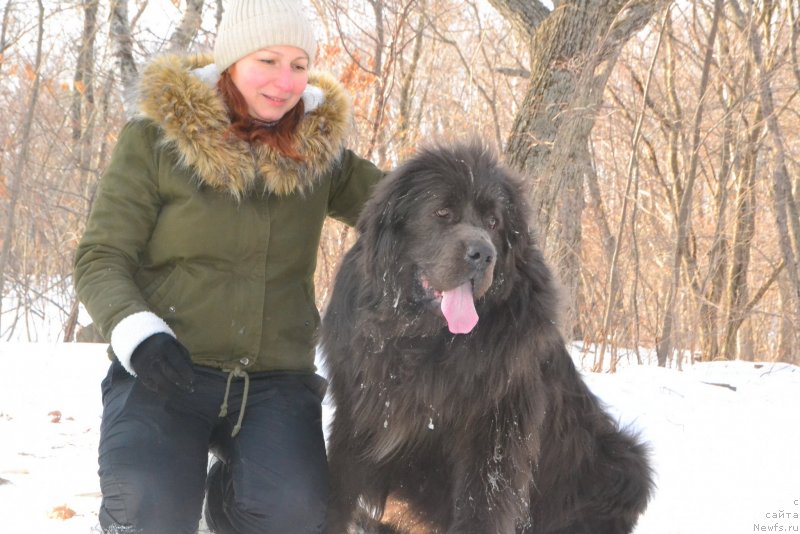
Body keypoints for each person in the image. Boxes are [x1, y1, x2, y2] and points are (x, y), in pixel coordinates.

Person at [73, 1, 384, 532]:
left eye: (299, 65)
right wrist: (139, 334)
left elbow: (403, 207)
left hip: (274, 383)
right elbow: (101, 257)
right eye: (268, 60)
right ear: (230, 61)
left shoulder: (318, 152)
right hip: (166, 369)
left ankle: (228, 503)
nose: (285, 81)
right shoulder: (153, 143)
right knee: (149, 507)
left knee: (295, 513)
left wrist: (473, 212)